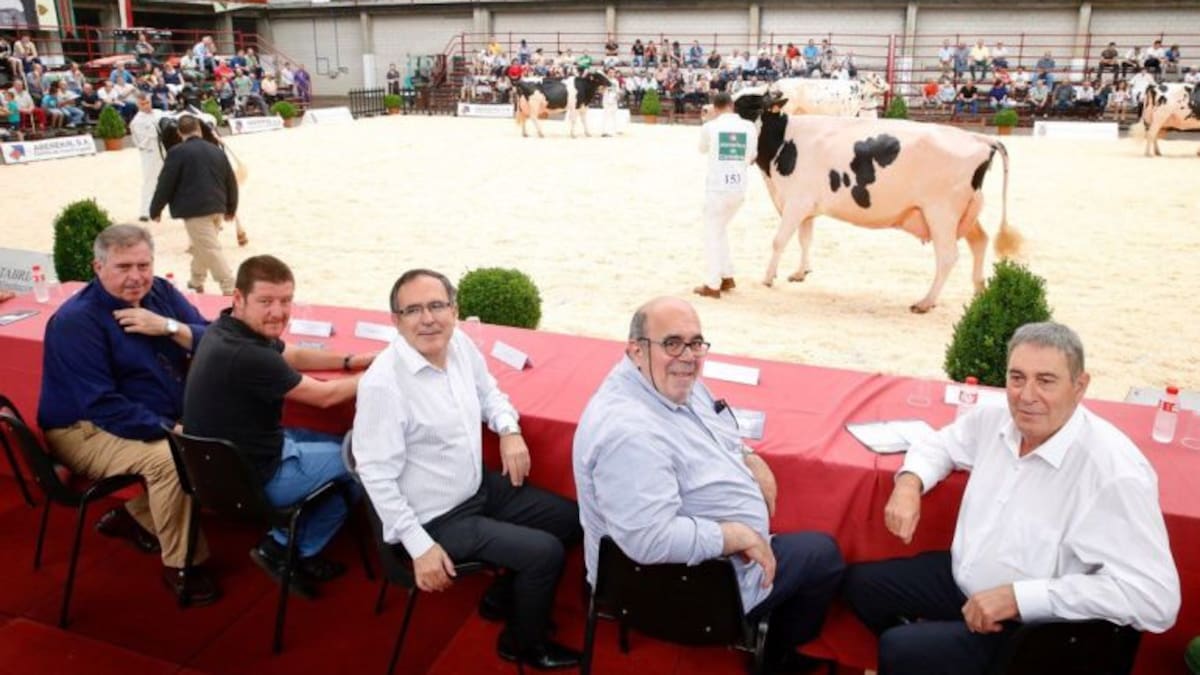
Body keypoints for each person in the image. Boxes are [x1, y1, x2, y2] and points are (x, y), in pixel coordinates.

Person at [842, 322, 1180, 675]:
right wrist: (910, 483)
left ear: (1080, 386)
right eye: (1017, 378)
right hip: (964, 578)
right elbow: (940, 444)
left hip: (1034, 626)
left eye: (1046, 381)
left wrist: (1020, 598)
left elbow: (1155, 598)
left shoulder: (1114, 472)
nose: (1027, 395)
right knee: (859, 586)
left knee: (901, 649)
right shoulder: (997, 418)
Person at [574, 296, 845, 672]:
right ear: (636, 350)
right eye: (672, 343)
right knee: (824, 556)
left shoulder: (669, 380)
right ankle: (776, 658)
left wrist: (749, 457)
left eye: (696, 342)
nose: (688, 355)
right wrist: (738, 536)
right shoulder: (629, 434)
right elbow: (649, 540)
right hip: (684, 587)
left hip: (702, 565)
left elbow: (718, 427)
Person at [353, 269, 582, 670]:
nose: (428, 318)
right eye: (413, 310)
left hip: (475, 488)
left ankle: (504, 594)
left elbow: (489, 391)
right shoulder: (384, 385)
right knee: (543, 554)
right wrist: (419, 547)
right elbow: (374, 474)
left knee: (571, 519)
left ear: (454, 310)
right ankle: (523, 643)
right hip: (435, 518)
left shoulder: (457, 343)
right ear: (396, 320)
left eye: (437, 305)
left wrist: (509, 430)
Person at [37, 224, 219, 605]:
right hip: (82, 428)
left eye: (143, 264)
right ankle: (183, 565)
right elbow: (101, 404)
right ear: (98, 267)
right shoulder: (77, 321)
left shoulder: (162, 294)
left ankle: (136, 516)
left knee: (223, 430)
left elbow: (213, 340)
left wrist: (169, 327)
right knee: (173, 458)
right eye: (123, 267)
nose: (136, 276)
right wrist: (172, 429)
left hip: (146, 414)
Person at [182, 255, 373, 598]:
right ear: (238, 298)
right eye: (266, 301)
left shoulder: (225, 329)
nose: (278, 312)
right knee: (361, 458)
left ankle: (296, 545)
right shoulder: (247, 355)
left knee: (332, 444)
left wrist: (350, 361)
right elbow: (326, 397)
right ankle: (283, 547)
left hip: (220, 472)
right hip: (255, 480)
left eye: (285, 301)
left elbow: (291, 355)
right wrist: (381, 373)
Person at [149, 114, 238, 295]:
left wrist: (155, 209)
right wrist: (231, 207)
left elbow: (165, 183)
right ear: (198, 128)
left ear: (179, 133)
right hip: (218, 206)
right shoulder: (216, 150)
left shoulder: (176, 153)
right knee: (202, 246)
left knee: (210, 249)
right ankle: (196, 280)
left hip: (195, 210)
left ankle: (229, 286)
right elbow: (231, 180)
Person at [694, 92, 757, 299]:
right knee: (719, 229)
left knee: (712, 233)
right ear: (732, 106)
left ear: (715, 107)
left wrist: (707, 122)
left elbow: (702, 149)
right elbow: (751, 157)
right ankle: (727, 275)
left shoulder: (710, 127)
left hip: (717, 187)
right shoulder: (749, 127)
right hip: (739, 187)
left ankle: (712, 284)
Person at [130, 93, 164, 222]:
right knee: (150, 181)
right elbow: (143, 141)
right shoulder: (137, 121)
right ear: (138, 105)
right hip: (150, 153)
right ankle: (145, 211)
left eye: (148, 102)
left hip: (164, 150)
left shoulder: (159, 113)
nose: (146, 106)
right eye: (143, 104)